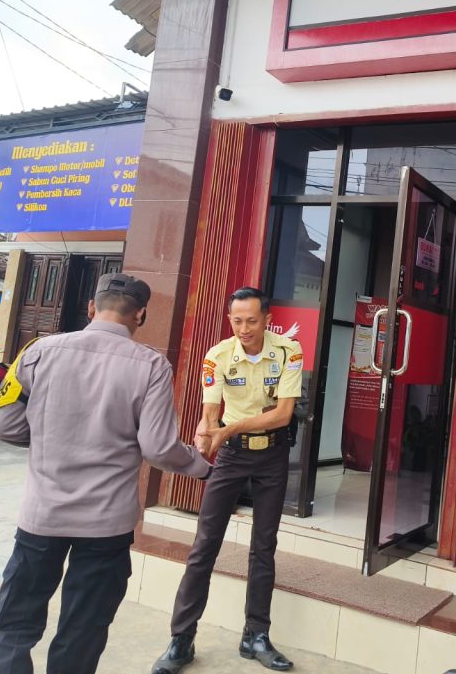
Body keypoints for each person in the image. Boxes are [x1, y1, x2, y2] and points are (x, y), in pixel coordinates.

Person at [0, 273, 212, 674]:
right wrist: (201, 467)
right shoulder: (152, 366)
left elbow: (2, 425)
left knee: (15, 621)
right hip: (105, 526)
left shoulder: (38, 351)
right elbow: (158, 448)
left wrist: (47, 439)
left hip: (42, 517)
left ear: (91, 307)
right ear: (140, 315)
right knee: (83, 628)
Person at [152, 287, 302, 674]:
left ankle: (256, 636)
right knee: (204, 545)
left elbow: (283, 415)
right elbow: (210, 410)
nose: (244, 328)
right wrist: (206, 430)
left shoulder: (289, 352)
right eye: (237, 321)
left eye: (252, 320)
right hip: (232, 456)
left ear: (267, 319)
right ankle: (181, 638)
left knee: (264, 547)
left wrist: (228, 428)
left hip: (272, 455)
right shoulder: (217, 356)